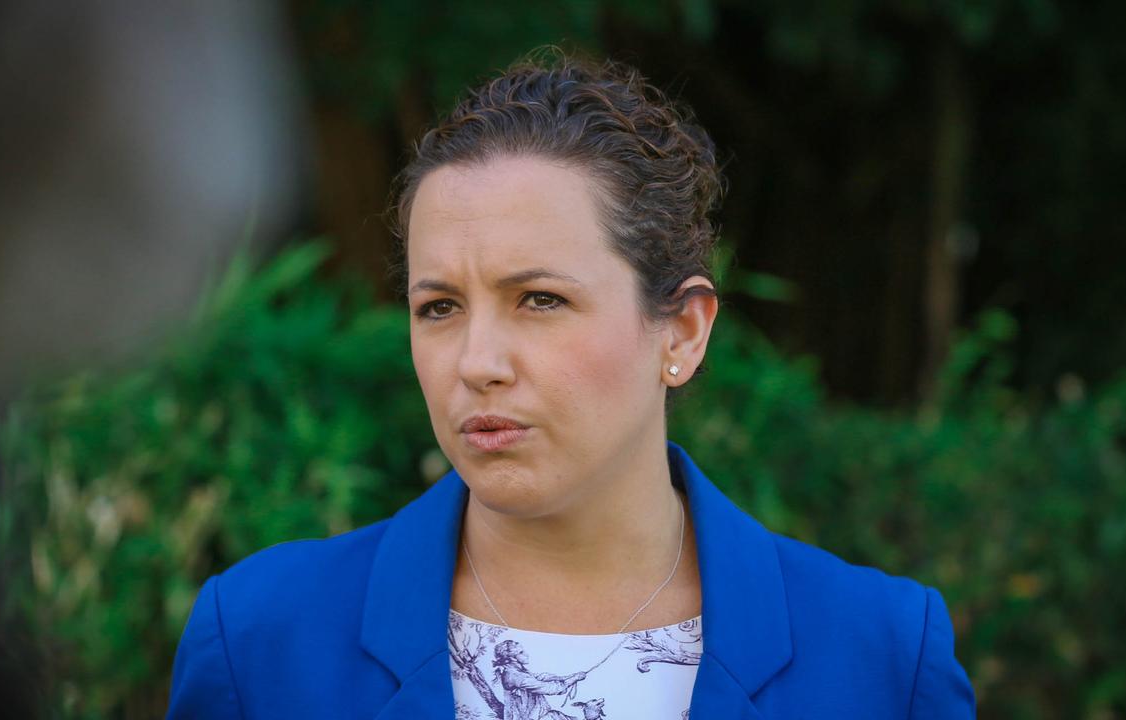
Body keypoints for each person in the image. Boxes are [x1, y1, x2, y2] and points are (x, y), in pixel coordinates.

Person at [166, 52, 976, 719]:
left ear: (683, 331)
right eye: (439, 306)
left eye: (540, 300)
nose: (477, 361)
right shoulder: (262, 642)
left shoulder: (880, 657)